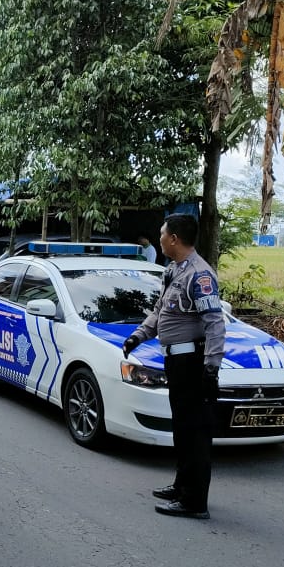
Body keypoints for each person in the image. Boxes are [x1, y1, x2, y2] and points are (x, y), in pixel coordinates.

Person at [122, 214, 225, 520]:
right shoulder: (174, 270)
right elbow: (160, 311)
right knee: (182, 428)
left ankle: (195, 502)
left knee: (195, 432)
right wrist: (139, 335)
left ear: (174, 239)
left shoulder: (199, 275)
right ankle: (182, 486)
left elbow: (215, 324)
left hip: (193, 363)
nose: (160, 238)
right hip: (176, 362)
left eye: (162, 234)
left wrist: (211, 369)